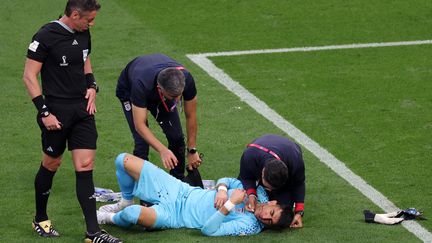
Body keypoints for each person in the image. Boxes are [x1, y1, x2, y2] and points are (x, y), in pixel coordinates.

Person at [23, 0, 122, 242]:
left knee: (85, 165)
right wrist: (44, 113)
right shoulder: (46, 35)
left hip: (82, 110)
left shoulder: (84, 32)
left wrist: (92, 86)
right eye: (89, 19)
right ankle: (40, 218)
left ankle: (93, 232)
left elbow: (85, 60)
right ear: (75, 15)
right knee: (52, 163)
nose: (92, 23)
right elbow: (29, 75)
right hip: (55, 111)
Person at [96, 153, 293, 236]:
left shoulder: (250, 226)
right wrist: (223, 191)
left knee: (132, 215)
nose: (265, 217)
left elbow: (209, 230)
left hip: (175, 216)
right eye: (272, 213)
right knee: (123, 160)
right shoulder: (257, 193)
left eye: (269, 222)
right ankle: (125, 200)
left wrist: (230, 204)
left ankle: (109, 218)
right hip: (181, 190)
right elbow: (227, 180)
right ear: (273, 202)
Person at [116, 54, 202, 187]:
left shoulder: (187, 79)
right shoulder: (141, 84)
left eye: (179, 95)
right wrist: (162, 150)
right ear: (160, 90)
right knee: (141, 144)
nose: (177, 100)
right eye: (173, 96)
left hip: (157, 86)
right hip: (129, 89)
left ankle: (178, 184)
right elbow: (140, 125)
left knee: (177, 138)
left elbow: (191, 115)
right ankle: (143, 194)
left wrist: (192, 150)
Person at [238, 134, 306, 228]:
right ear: (262, 172)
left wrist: (299, 212)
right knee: (239, 189)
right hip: (261, 148)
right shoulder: (250, 156)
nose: (269, 190)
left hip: (289, 150)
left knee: (283, 214)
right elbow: (246, 177)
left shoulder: (295, 162)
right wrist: (252, 194)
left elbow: (299, 183)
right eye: (267, 187)